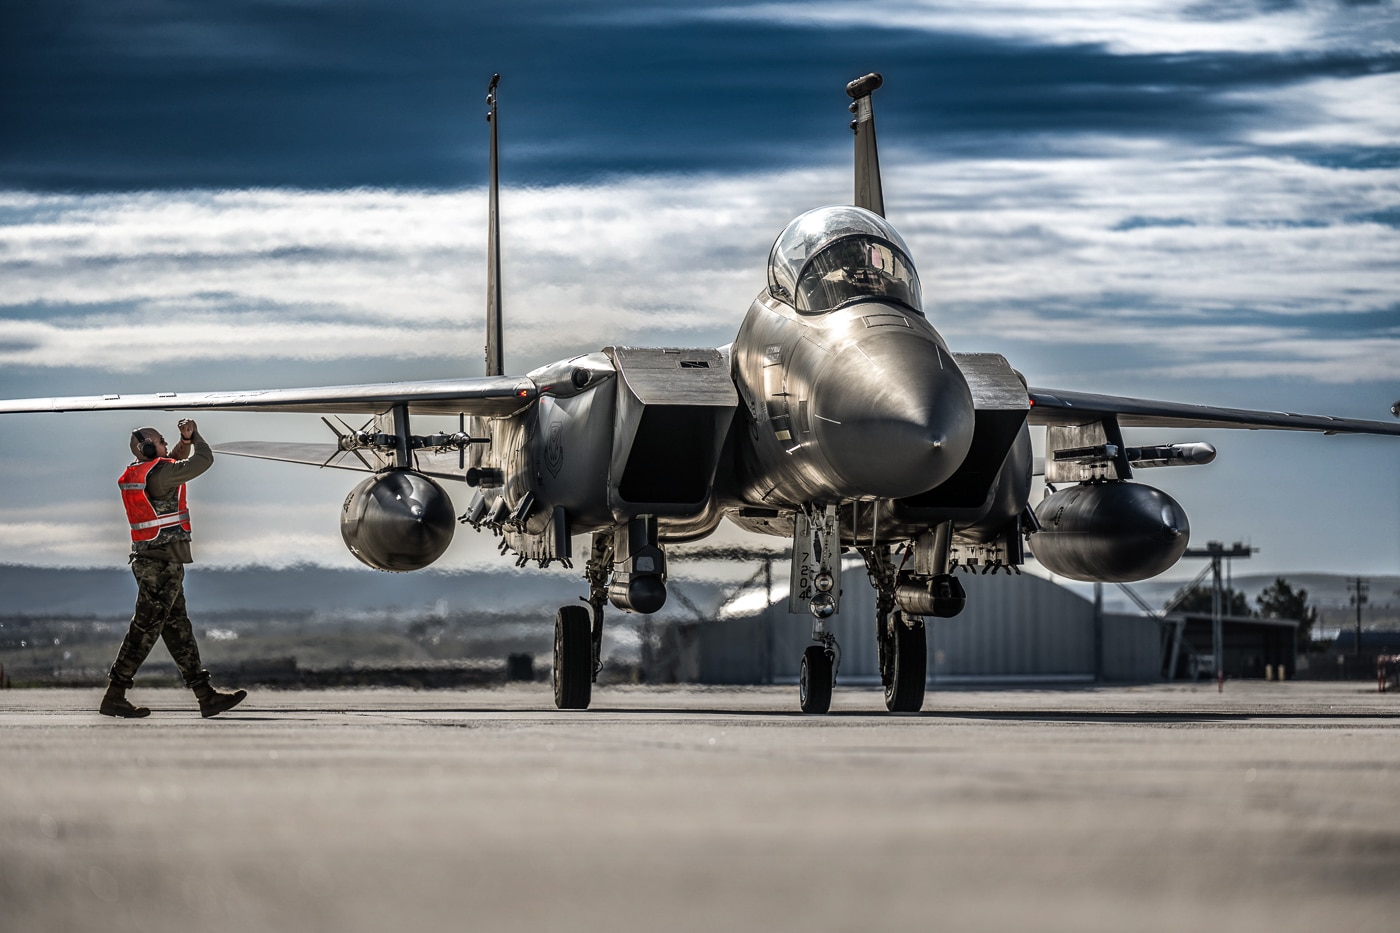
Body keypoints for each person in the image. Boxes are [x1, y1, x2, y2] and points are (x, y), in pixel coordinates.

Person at [100, 419, 247, 719]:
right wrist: (197, 437)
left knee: (178, 629)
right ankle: (115, 695)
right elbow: (203, 460)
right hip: (161, 564)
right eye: (161, 441)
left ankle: (205, 695)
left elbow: (174, 458)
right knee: (144, 630)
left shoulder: (143, 472)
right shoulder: (162, 474)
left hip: (156, 561)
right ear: (148, 448)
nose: (166, 445)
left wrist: (185, 439)